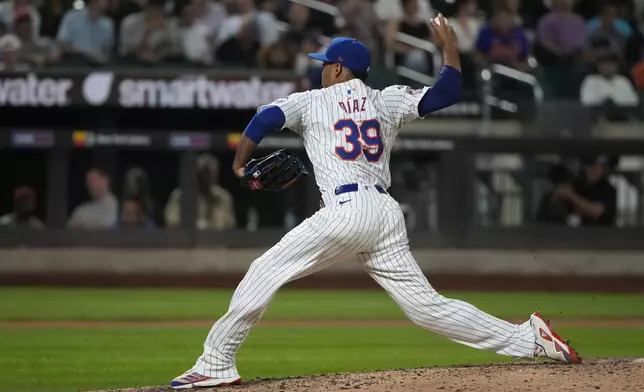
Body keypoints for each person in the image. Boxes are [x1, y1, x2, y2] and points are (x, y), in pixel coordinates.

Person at [170, 15, 581, 390]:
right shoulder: (386, 99)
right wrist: (449, 47)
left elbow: (261, 121)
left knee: (264, 271)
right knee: (426, 308)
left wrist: (241, 166)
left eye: (324, 63)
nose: (320, 69)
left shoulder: (311, 101)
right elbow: (447, 92)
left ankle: (216, 363)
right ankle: (528, 338)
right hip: (384, 214)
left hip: (347, 210)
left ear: (336, 68)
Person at [164, 154, 236, 230]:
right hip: (188, 240)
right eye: (204, 173)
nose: (207, 178)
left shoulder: (224, 197)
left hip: (217, 240)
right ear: (197, 174)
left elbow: (230, 225)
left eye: (212, 173)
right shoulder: (180, 195)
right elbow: (171, 222)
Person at [556, 156, 617, 226]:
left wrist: (571, 196)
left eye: (600, 167)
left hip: (599, 232)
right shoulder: (578, 184)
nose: (596, 170)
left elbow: (595, 211)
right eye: (592, 167)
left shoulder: (608, 190)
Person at [56, 0, 115, 65]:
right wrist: (82, 54)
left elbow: (107, 51)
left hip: (98, 67)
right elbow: (62, 44)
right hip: (73, 64)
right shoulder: (71, 17)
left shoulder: (108, 24)